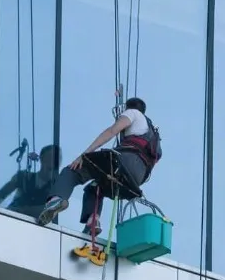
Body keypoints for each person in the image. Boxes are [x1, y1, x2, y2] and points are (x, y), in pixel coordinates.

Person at [35, 97, 162, 234]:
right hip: (138, 176)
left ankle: (56, 199)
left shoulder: (132, 113)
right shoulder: (152, 132)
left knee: (72, 170)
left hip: (126, 161)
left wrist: (84, 155)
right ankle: (93, 221)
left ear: (128, 107)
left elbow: (112, 131)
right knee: (94, 188)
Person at [0, 144, 63, 219]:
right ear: (42, 158)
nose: (56, 160)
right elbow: (1, 194)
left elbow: (52, 209)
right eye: (52, 156)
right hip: (11, 218)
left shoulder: (56, 187)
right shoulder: (23, 177)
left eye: (59, 158)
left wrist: (24, 210)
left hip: (36, 226)